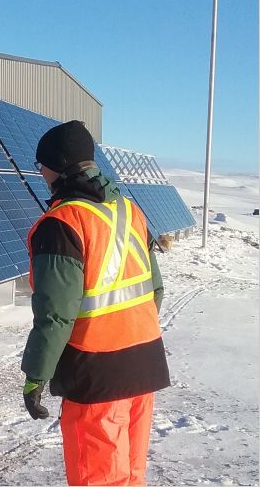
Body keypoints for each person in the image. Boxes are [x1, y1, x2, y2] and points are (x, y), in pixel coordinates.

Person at [20, 120, 170, 485]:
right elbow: (156, 290)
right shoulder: (129, 212)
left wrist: (36, 375)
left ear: (58, 166)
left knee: (98, 477)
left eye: (41, 165)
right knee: (129, 474)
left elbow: (56, 313)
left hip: (97, 372)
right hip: (144, 361)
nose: (40, 173)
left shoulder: (62, 223)